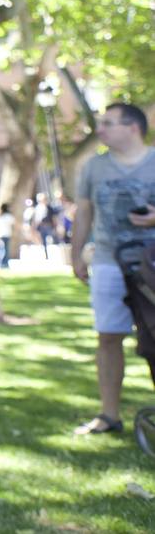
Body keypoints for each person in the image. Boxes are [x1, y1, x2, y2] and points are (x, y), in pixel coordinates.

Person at [70, 102, 155, 435]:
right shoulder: (94, 167)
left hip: (151, 264)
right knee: (108, 337)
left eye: (108, 123)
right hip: (108, 262)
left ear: (132, 127)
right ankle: (109, 415)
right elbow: (84, 213)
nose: (100, 129)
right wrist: (76, 255)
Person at [0, 204, 15, 269]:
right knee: (4, 250)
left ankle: (2, 263)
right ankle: (2, 263)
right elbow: (13, 223)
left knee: (2, 249)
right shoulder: (8, 217)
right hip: (5, 235)